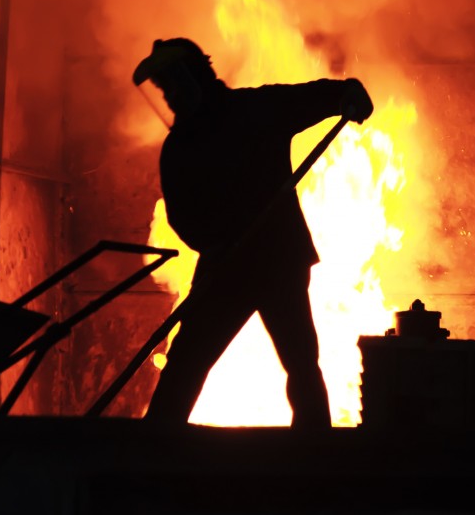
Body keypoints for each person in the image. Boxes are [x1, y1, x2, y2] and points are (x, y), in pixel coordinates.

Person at [132, 37, 373, 428]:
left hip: (277, 261)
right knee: (187, 363)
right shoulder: (181, 147)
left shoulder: (253, 111)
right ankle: (154, 448)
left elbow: (312, 97)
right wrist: (215, 243)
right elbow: (182, 217)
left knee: (299, 362)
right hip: (228, 266)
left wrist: (348, 94)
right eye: (163, 89)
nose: (170, 96)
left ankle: (316, 456)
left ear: (194, 78)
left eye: (173, 84)